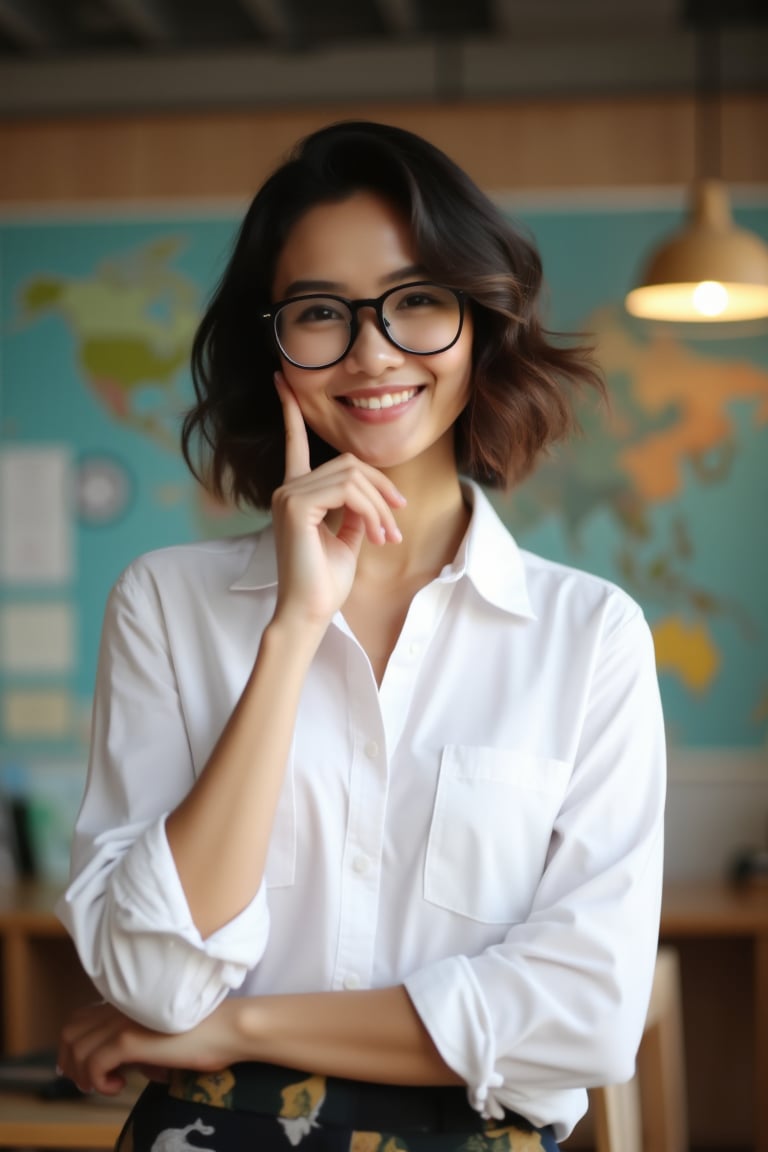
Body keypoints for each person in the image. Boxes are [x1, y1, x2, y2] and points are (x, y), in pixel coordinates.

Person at [56, 120, 666, 1152]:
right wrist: (292, 631)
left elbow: (587, 1020)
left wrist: (239, 1025)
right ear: (274, 344)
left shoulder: (590, 634)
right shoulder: (165, 604)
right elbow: (155, 978)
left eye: (417, 300)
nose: (372, 351)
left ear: (478, 320)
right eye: (319, 313)